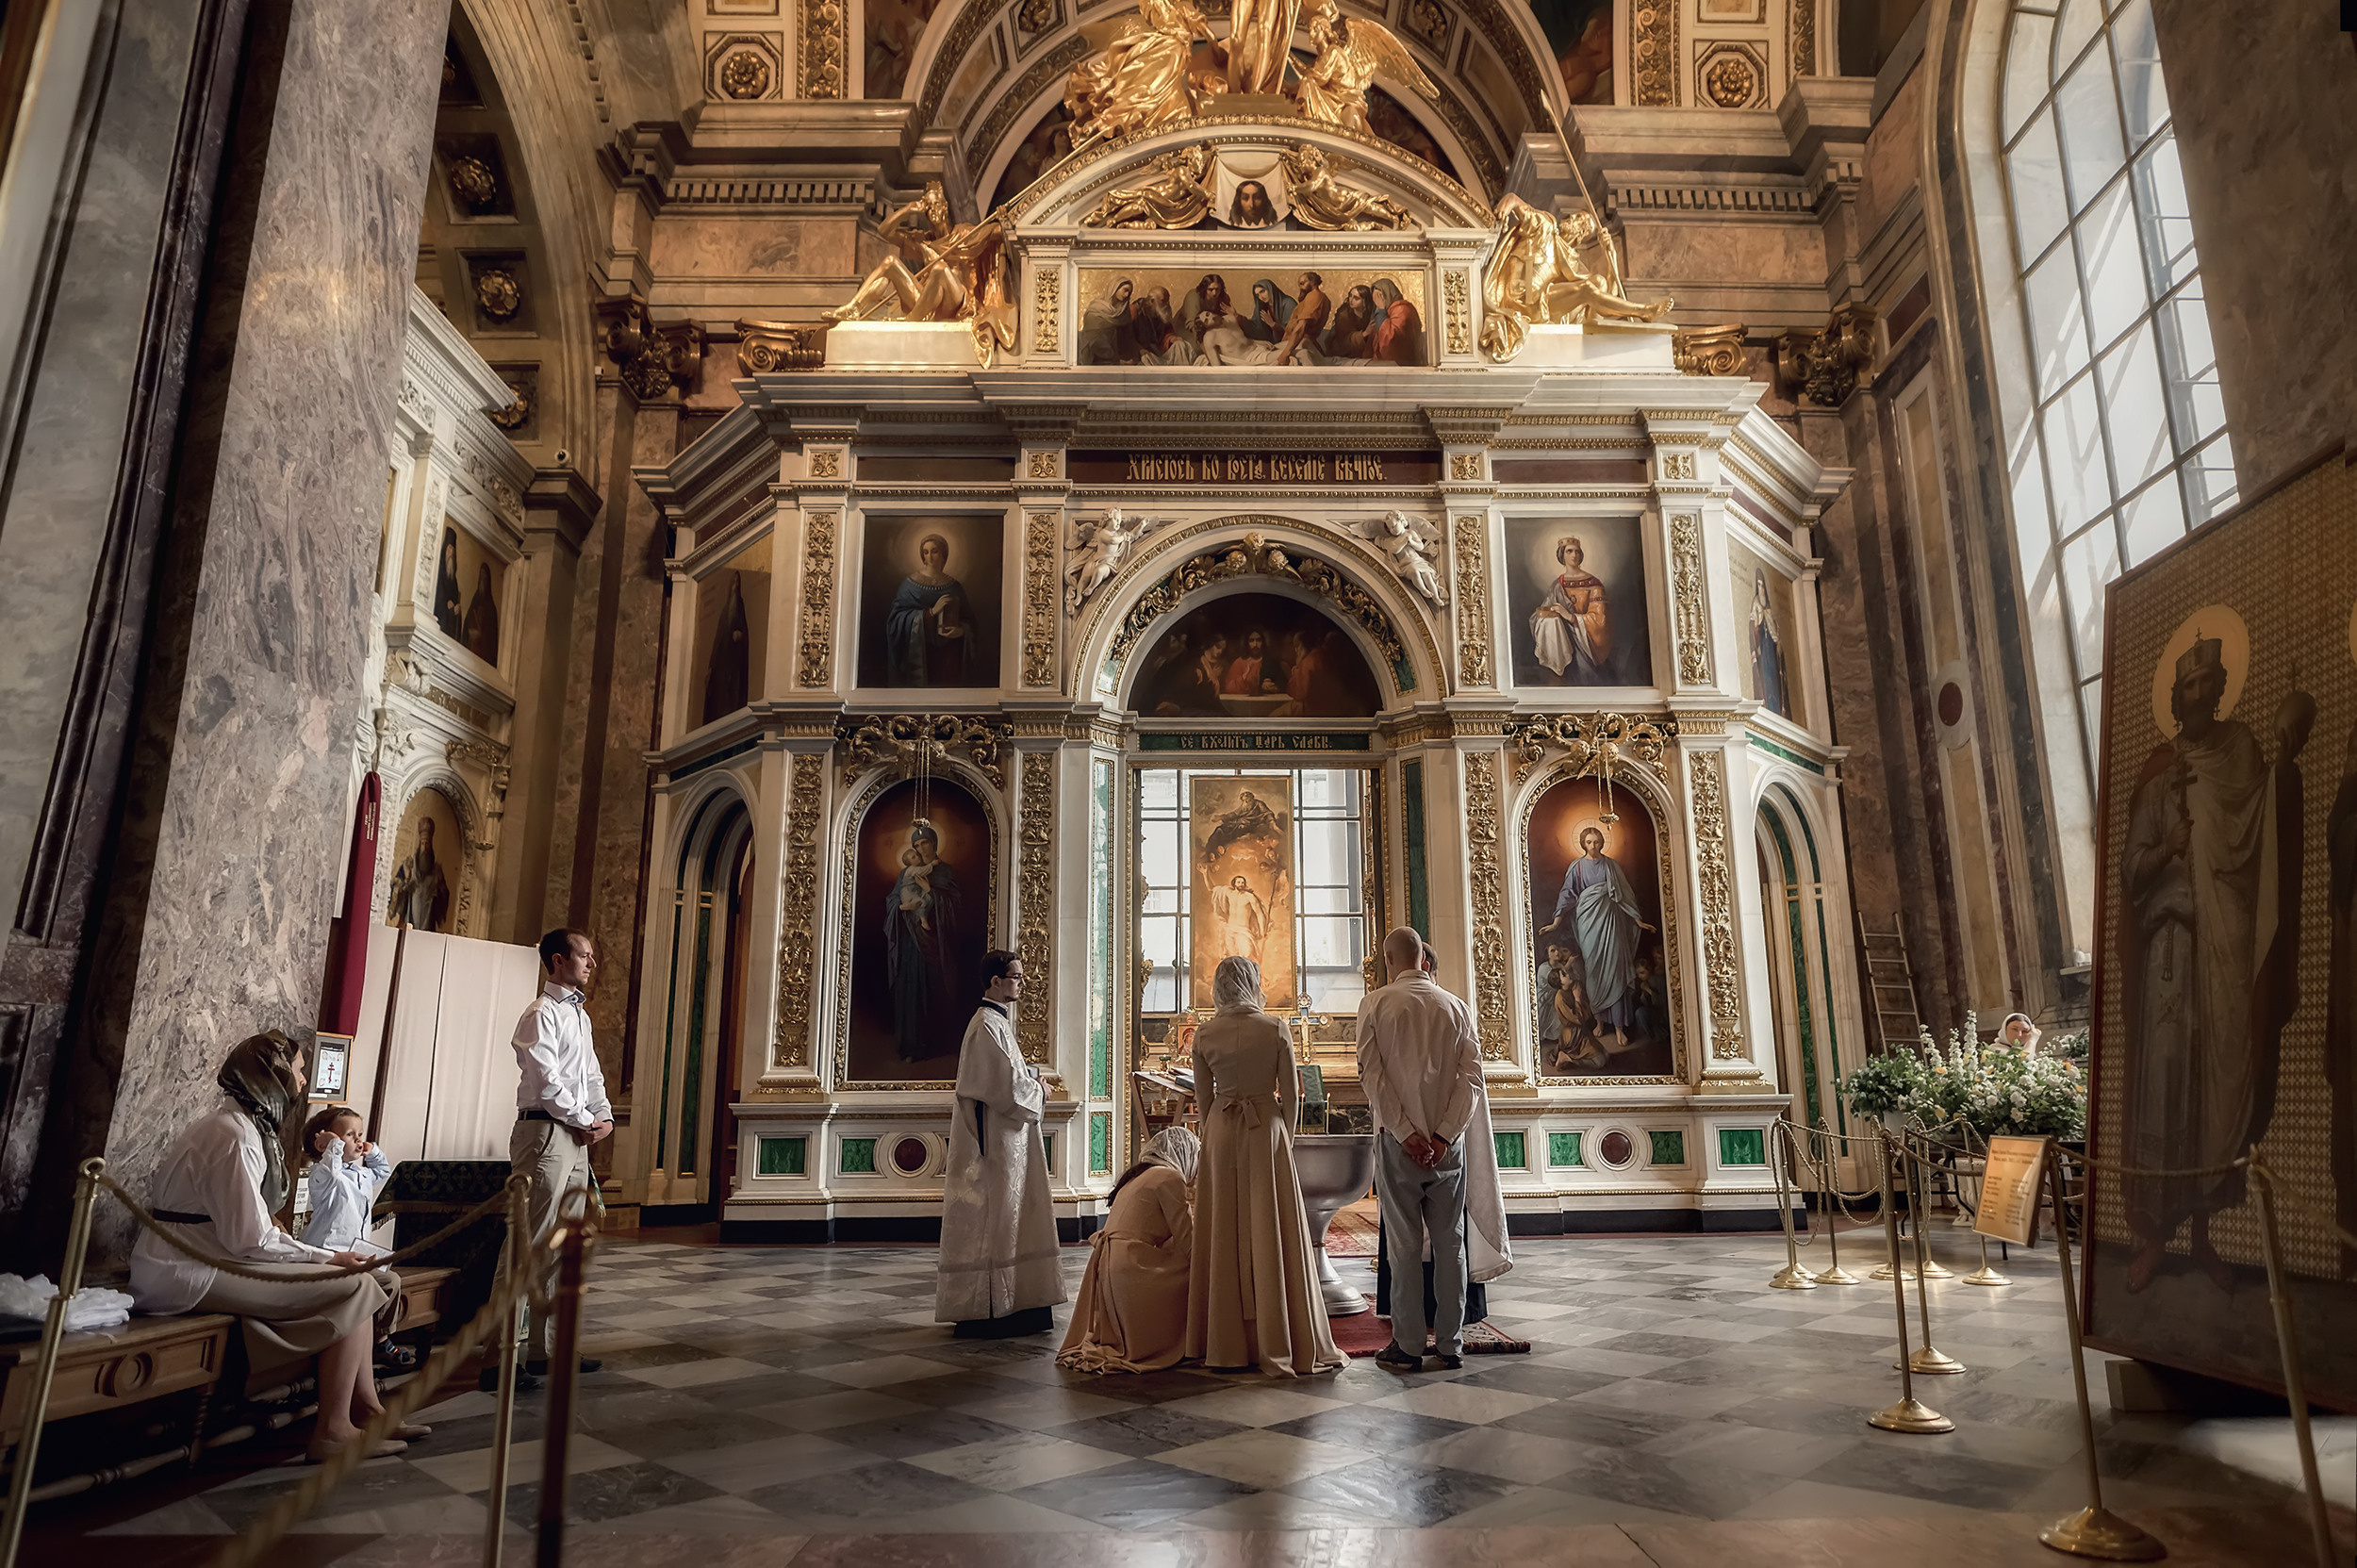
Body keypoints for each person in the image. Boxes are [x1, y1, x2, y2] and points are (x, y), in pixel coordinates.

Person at [130, 1032, 420, 1462]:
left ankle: (366, 1410)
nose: (302, 1082)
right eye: (299, 1071)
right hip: (185, 1270)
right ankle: (333, 1429)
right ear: (271, 1075)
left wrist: (329, 1259)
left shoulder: (241, 1127)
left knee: (360, 1279)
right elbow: (249, 1239)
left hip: (211, 1257)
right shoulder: (234, 1136)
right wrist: (328, 1256)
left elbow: (251, 1232)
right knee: (354, 1284)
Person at [2119, 637, 2307, 1293]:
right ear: (2176, 695)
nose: (2197, 694)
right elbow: (2130, 869)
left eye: (2207, 683)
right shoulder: (2158, 770)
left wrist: (2287, 760)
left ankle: (2201, 1238)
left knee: (2214, 1087)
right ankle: (2152, 1240)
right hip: (2170, 949)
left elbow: (2262, 824)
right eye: (2188, 684)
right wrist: (2166, 849)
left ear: (2220, 688)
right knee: (2167, 1086)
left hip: (2223, 945)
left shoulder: (2241, 753)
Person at [1185, 957, 1346, 1376]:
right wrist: (1285, 1138)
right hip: (1266, 1129)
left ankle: (1224, 1340)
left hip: (1221, 1129)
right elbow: (1292, 1093)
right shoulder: (1274, 1028)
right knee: (1270, 1225)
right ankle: (1279, 1334)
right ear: (1254, 984)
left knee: (1224, 1228)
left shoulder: (1205, 1033)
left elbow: (1203, 1101)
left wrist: (1215, 1130)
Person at [488, 928, 613, 1391]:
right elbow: (547, 1082)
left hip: (574, 1136)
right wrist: (583, 1118)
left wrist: (602, 1116)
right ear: (559, 961)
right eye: (585, 955)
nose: (592, 963)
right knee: (527, 1244)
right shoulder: (540, 1014)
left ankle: (545, 1351)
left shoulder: (580, 1017)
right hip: (544, 1133)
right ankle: (499, 1359)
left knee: (563, 1247)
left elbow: (591, 1074)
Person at [1355, 927, 1482, 1369]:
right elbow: (1471, 1082)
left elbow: (1373, 1079)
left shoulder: (1375, 1004)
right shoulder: (1456, 1007)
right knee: (1451, 1244)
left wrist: (1406, 1131)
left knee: (1403, 1245)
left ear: (1390, 960)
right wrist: (1444, 1134)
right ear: (1423, 959)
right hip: (1449, 1148)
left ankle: (1408, 1345)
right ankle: (1451, 1344)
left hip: (1398, 1146)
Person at [937, 950, 1066, 1336]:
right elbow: (1005, 1088)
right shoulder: (986, 1025)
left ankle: (1018, 1300)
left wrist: (1030, 1078)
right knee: (998, 1220)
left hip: (1008, 1137)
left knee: (1013, 1218)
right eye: (1016, 976)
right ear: (995, 980)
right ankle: (994, 1304)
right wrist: (1038, 1088)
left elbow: (1007, 1076)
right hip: (996, 1142)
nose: (1022, 983)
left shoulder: (996, 1023)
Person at [1059, 1127, 1200, 1373]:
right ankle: (1195, 1341)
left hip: (1109, 1267)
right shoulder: (1170, 1178)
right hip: (1133, 1269)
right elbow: (1189, 1242)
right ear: (1185, 1154)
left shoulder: (1136, 1177)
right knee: (1196, 1272)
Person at [1544, 826, 1655, 1051]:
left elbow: (1625, 894)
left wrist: (1637, 920)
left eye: (1597, 842)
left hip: (1612, 923)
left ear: (1602, 843)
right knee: (1594, 972)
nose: (1593, 846)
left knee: (1615, 969)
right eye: (1589, 842)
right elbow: (1567, 894)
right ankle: (1600, 1021)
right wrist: (1556, 921)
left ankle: (1619, 1027)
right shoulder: (1576, 867)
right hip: (1589, 925)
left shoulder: (1611, 866)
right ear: (1583, 844)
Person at [885, 818, 964, 1062]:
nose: (921, 849)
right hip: (911, 943)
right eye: (917, 845)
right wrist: (900, 907)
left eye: (925, 843)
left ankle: (936, 1044)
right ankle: (911, 1046)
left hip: (936, 945)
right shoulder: (905, 873)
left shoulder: (945, 871)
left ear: (934, 844)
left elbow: (956, 906)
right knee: (910, 990)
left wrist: (931, 893)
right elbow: (893, 900)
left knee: (934, 989)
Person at [883, 533, 977, 686]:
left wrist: (961, 631)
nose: (930, 557)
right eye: (926, 552)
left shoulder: (955, 587)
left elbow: (970, 622)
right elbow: (895, 621)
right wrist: (931, 612)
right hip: (920, 656)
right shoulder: (909, 586)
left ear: (943, 554)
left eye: (935, 551)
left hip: (949, 657)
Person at [302, 1105, 391, 1259]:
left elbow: (382, 1171)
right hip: (327, 1250)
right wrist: (334, 1144)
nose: (358, 1140)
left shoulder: (361, 1174)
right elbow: (332, 1174)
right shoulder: (322, 1174)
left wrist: (373, 1152)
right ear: (323, 1145)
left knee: (391, 1279)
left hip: (356, 1248)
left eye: (360, 1134)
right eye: (350, 1134)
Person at [1530, 536, 1613, 685]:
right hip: (1560, 643)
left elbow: (1600, 619)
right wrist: (1547, 619)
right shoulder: (1557, 585)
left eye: (1577, 552)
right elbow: (1542, 613)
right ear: (1561, 555)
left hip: (1585, 646)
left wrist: (1570, 617)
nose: (1574, 555)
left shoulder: (1594, 584)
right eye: (1569, 551)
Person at [387, 813, 451, 933]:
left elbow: (444, 898)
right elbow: (394, 888)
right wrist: (404, 884)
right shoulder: (408, 866)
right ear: (419, 845)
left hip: (428, 923)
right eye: (423, 844)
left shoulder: (437, 872)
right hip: (410, 919)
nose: (425, 848)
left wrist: (439, 889)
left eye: (427, 844)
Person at [1749, 568, 1789, 716]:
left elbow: (1774, 633)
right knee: (1766, 679)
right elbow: (1753, 630)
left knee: (1773, 678)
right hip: (1763, 653)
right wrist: (1757, 633)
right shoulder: (1756, 605)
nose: (1761, 589)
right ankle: (1766, 700)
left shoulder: (1769, 609)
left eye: (1762, 586)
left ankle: (1775, 704)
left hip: (1770, 653)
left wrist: (1777, 643)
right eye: (1758, 585)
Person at [1210, 872, 1269, 966]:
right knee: (1232, 958)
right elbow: (1212, 889)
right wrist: (1205, 874)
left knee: (1247, 953)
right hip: (1230, 929)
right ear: (1234, 883)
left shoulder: (1249, 896)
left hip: (1243, 930)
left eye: (1243, 882)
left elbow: (1259, 913)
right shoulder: (1229, 893)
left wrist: (1262, 931)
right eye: (1239, 882)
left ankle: (1251, 976)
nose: (1241, 884)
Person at [1275, 272, 1330, 366]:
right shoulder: (1312, 297)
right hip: (1299, 341)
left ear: (1312, 282)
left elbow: (1301, 327)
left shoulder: (1315, 296)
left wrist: (1285, 354)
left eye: (1302, 283)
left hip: (1301, 342)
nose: (1300, 287)